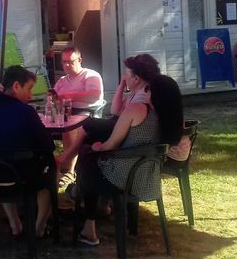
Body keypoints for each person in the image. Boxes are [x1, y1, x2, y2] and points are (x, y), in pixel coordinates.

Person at [76, 73, 183, 246]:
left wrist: (96, 147)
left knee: (87, 156)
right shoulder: (169, 121)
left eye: (147, 89)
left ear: (153, 93)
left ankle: (89, 225)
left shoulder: (137, 110)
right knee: (91, 161)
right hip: (147, 180)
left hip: (121, 178)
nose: (144, 92)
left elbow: (110, 145)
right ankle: (99, 204)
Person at [57, 54, 161, 185]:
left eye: (126, 74)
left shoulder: (141, 98)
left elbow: (119, 123)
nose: (124, 77)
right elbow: (115, 111)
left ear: (136, 78)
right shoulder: (138, 92)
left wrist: (102, 147)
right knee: (87, 135)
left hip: (126, 138)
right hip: (124, 130)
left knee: (88, 127)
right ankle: (72, 171)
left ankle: (67, 163)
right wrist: (122, 85)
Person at [0, 65, 55, 237]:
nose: (30, 95)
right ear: (16, 86)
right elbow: (49, 146)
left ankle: (15, 224)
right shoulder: (25, 112)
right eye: (29, 88)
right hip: (22, 180)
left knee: (2, 161)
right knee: (52, 168)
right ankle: (39, 228)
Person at [52, 47, 104, 186]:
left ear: (80, 60)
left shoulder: (90, 75)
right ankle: (50, 165)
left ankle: (68, 170)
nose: (67, 65)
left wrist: (69, 96)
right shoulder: (62, 81)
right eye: (64, 62)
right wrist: (54, 100)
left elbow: (95, 95)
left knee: (69, 127)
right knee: (40, 128)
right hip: (65, 113)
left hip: (88, 113)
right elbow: (53, 97)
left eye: (70, 61)